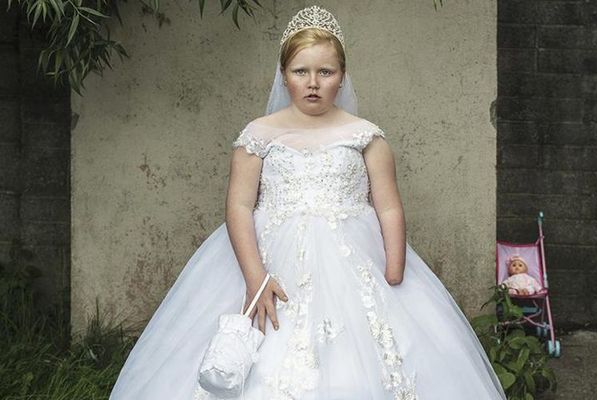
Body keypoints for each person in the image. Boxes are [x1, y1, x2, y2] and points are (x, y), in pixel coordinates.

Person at [109, 5, 507, 400]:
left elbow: (388, 205)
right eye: (301, 72)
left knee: (376, 354)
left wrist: (395, 269)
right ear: (284, 76)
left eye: (325, 72)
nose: (313, 82)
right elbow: (239, 207)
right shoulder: (259, 135)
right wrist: (255, 276)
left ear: (342, 77)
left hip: (356, 257)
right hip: (268, 260)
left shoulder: (365, 136)